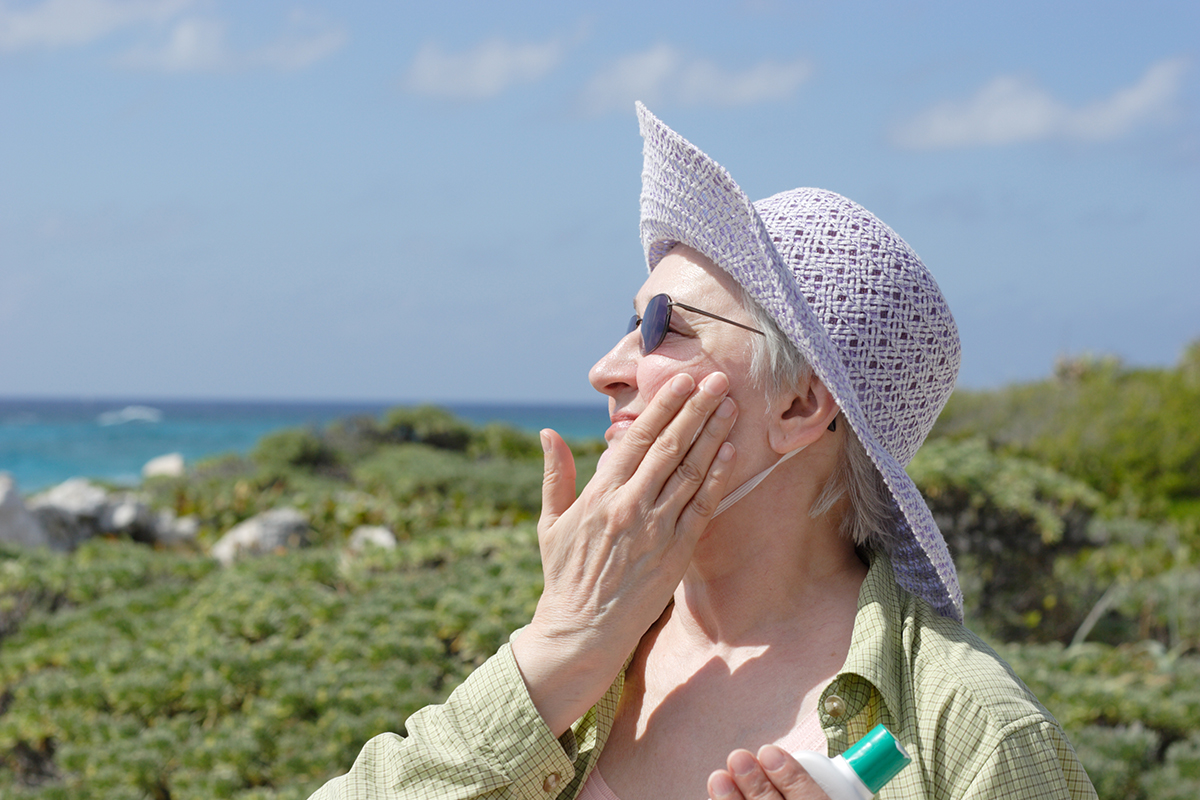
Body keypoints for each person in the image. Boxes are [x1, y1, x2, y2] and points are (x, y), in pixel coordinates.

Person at [307, 104, 1097, 800]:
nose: (607, 368)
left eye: (663, 329)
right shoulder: (589, 657)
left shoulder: (975, 733)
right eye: (629, 323)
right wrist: (552, 655)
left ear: (799, 405)